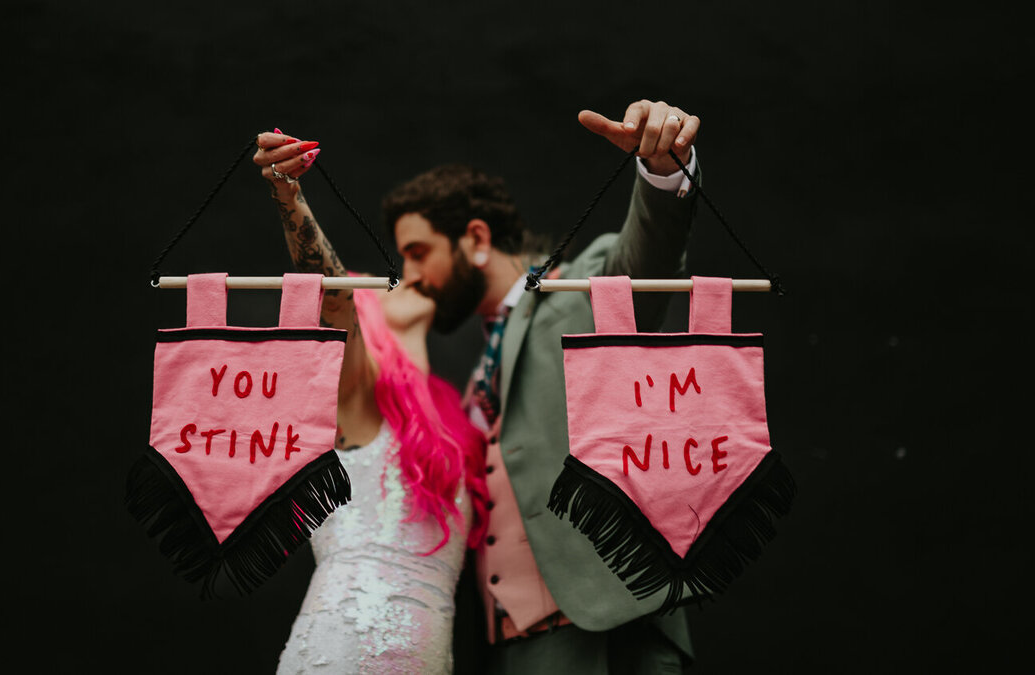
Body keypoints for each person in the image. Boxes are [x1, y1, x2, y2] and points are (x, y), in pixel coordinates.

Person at [379, 99, 702, 674]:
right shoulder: (482, 368)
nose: (410, 277)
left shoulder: (579, 290)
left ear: (476, 238)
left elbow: (644, 260)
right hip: (514, 647)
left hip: (607, 631)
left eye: (419, 253)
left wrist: (662, 170)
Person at [253, 130, 489, 674]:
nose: (405, 279)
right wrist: (290, 196)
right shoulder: (355, 393)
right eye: (384, 282)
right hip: (345, 645)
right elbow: (333, 299)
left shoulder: (450, 415)